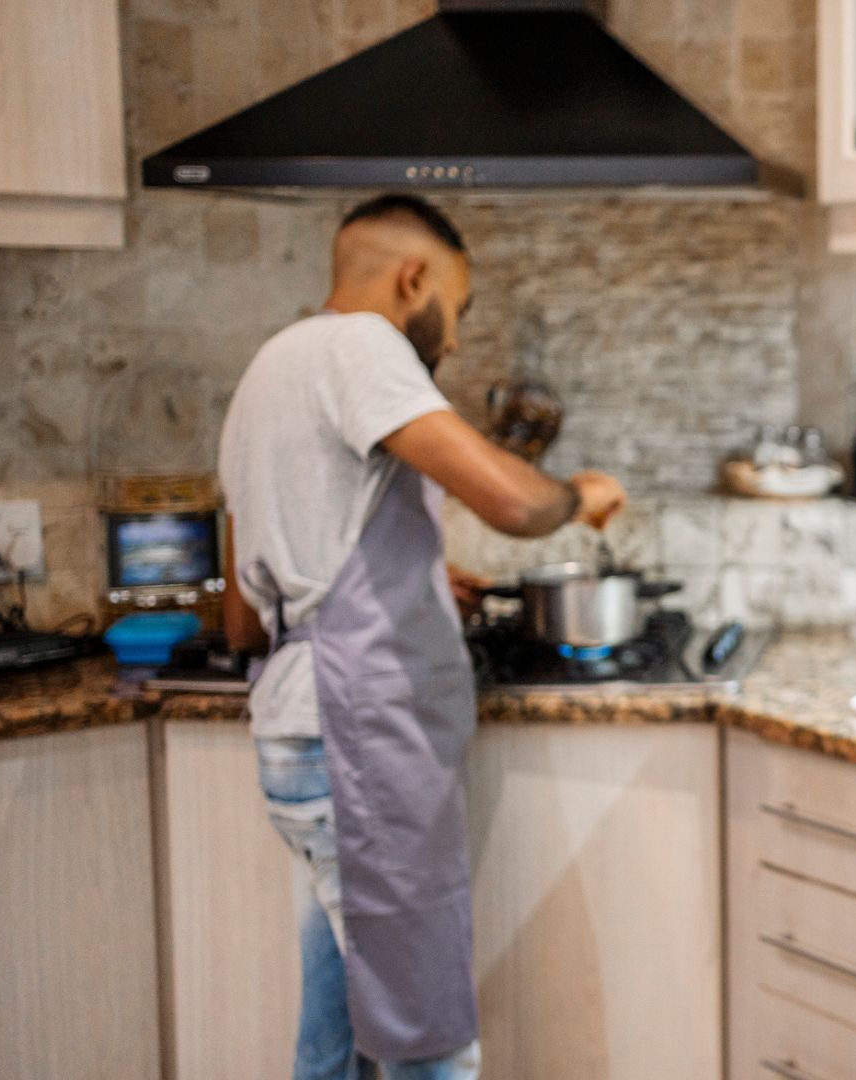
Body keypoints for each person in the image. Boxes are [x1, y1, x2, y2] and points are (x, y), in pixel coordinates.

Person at [218, 193, 627, 1080]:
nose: (449, 341)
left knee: (335, 1036)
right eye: (456, 307)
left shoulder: (267, 370)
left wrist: (404, 582)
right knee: (427, 1044)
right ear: (414, 278)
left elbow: (246, 615)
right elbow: (513, 501)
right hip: (362, 741)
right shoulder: (363, 345)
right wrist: (579, 496)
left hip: (300, 737)